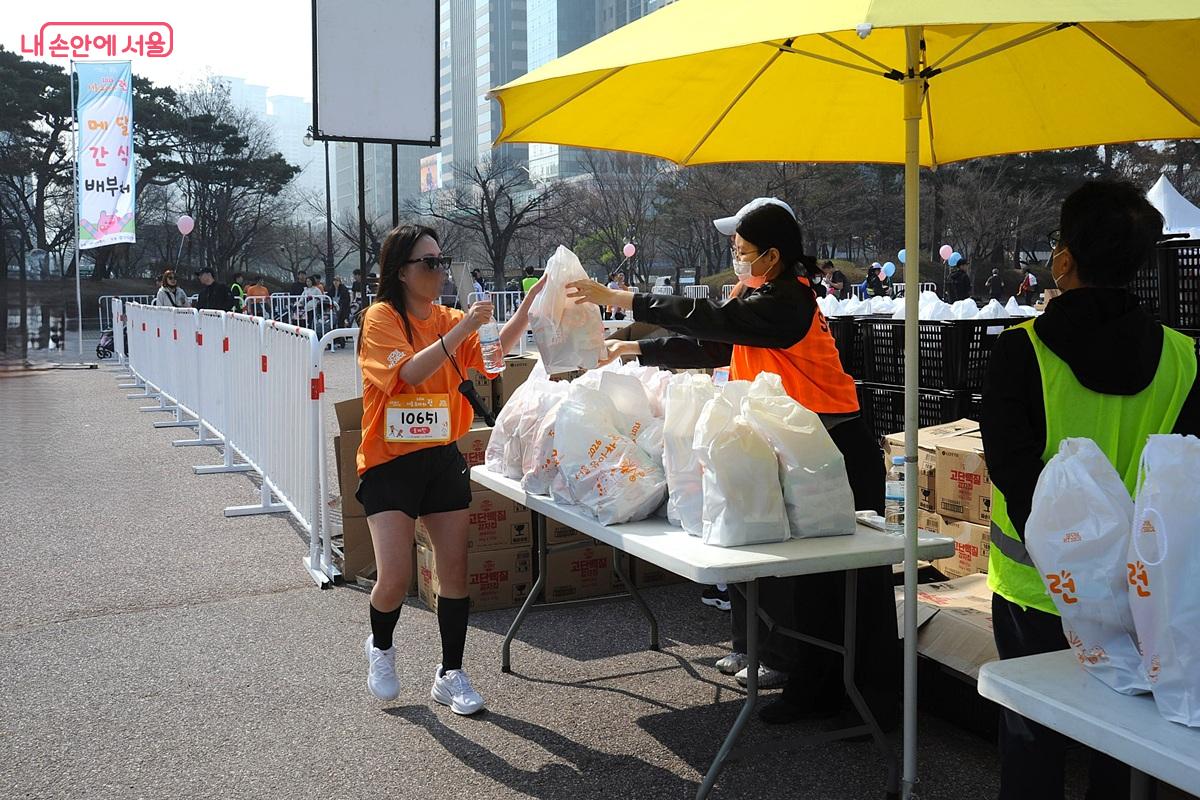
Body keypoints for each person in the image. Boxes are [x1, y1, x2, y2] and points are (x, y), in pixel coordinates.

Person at [567, 200, 896, 726]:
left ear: (772, 255)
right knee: (811, 582)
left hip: (836, 450)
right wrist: (635, 352)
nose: (736, 258)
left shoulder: (787, 301)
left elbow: (715, 321)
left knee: (849, 584)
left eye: (743, 251)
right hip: (804, 451)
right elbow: (714, 343)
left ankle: (867, 700)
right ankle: (816, 688)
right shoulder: (765, 298)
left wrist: (623, 299)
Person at [982, 181, 1200, 800]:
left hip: (1037, 588)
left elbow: (1011, 468)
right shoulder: (1185, 358)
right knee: (1127, 745)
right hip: (1143, 595)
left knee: (1032, 738)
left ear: (1064, 258)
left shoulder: (1022, 351)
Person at [356, 224, 545, 712]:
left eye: (442, 261)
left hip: (442, 456)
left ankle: (451, 672)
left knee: (455, 571)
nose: (440, 271)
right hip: (389, 461)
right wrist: (463, 328)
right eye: (429, 263)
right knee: (394, 577)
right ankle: (381, 646)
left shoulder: (450, 317)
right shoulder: (381, 318)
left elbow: (492, 357)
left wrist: (529, 306)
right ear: (401, 272)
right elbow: (407, 373)